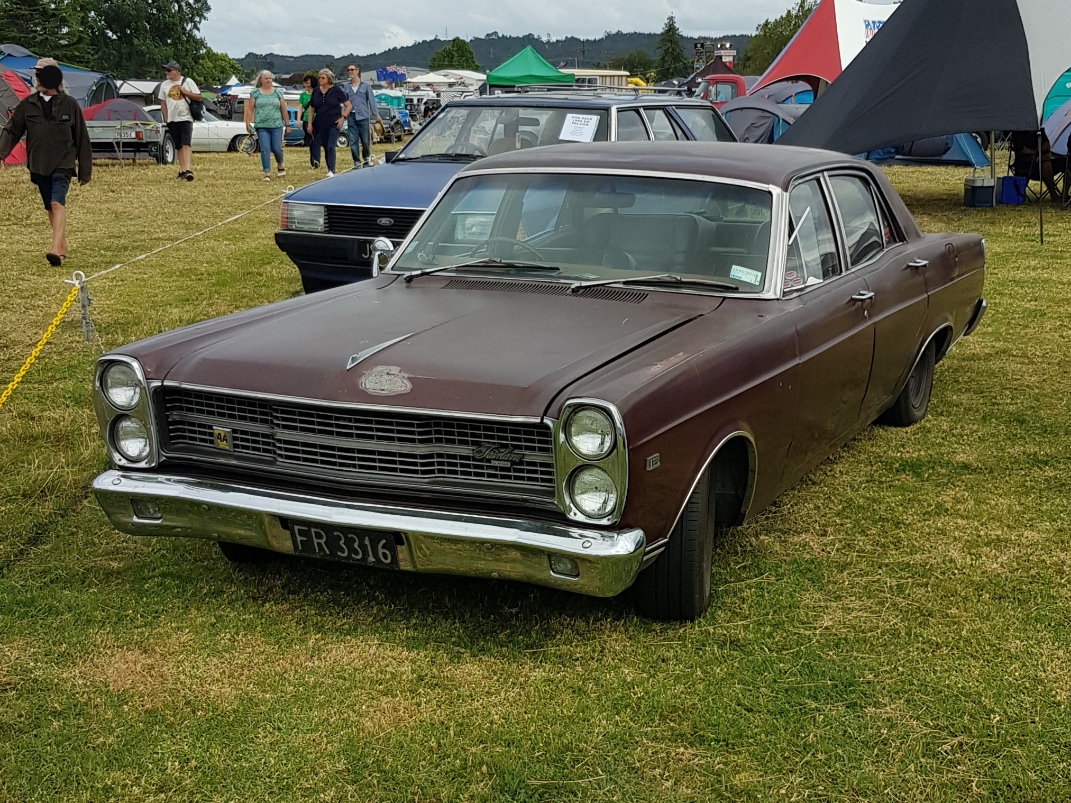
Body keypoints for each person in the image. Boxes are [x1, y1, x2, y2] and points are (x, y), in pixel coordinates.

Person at [0, 58, 91, 266]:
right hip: (39, 163)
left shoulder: (70, 105)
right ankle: (62, 246)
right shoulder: (28, 105)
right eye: (38, 74)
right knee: (50, 206)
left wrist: (85, 170)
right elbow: (12, 130)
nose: (39, 78)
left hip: (63, 163)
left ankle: (54, 249)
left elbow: (82, 137)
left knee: (57, 202)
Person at [157, 60, 202, 181]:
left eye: (169, 70)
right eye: (166, 70)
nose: (166, 72)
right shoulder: (164, 85)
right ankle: (182, 170)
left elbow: (199, 97)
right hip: (172, 119)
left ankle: (188, 169)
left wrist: (186, 92)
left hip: (186, 117)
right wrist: (165, 118)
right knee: (178, 145)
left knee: (186, 142)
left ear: (177, 71)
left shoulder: (188, 81)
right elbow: (163, 102)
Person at [244, 70, 289, 181]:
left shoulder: (278, 93)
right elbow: (250, 109)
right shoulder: (255, 93)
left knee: (277, 148)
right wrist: (248, 122)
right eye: (266, 78)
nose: (269, 80)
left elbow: (284, 110)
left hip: (276, 125)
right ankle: (266, 172)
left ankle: (280, 164)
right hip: (261, 125)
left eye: (270, 78)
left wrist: (287, 125)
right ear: (261, 80)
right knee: (265, 148)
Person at [307, 68, 350, 177]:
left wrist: (343, 117)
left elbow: (348, 105)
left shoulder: (336, 91)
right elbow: (311, 108)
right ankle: (321, 163)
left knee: (331, 146)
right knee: (324, 146)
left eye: (323, 77)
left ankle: (332, 170)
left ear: (329, 79)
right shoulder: (316, 91)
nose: (320, 79)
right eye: (319, 77)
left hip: (334, 123)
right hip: (319, 123)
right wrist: (310, 123)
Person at [1010, 130, 1068, 204]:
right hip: (1027, 167)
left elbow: (1047, 147)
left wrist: (1040, 153)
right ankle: (1054, 195)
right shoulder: (1019, 132)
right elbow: (1022, 151)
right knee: (1046, 164)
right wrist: (1039, 154)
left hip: (1045, 160)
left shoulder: (1041, 130)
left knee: (1067, 162)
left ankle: (1065, 194)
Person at [342, 64, 382, 167]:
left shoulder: (366, 85)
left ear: (357, 71)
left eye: (352, 70)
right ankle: (356, 161)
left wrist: (376, 114)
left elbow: (372, 101)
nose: (350, 72)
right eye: (348, 70)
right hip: (351, 116)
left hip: (364, 116)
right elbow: (344, 102)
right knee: (353, 140)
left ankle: (366, 159)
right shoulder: (346, 86)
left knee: (365, 140)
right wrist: (343, 115)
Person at [299, 75, 315, 159]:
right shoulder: (303, 95)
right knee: (310, 137)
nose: (305, 85)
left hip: (317, 119)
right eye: (304, 83)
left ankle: (315, 157)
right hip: (306, 119)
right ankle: (313, 157)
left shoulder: (317, 93)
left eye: (307, 83)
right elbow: (300, 107)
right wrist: (298, 120)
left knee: (315, 138)